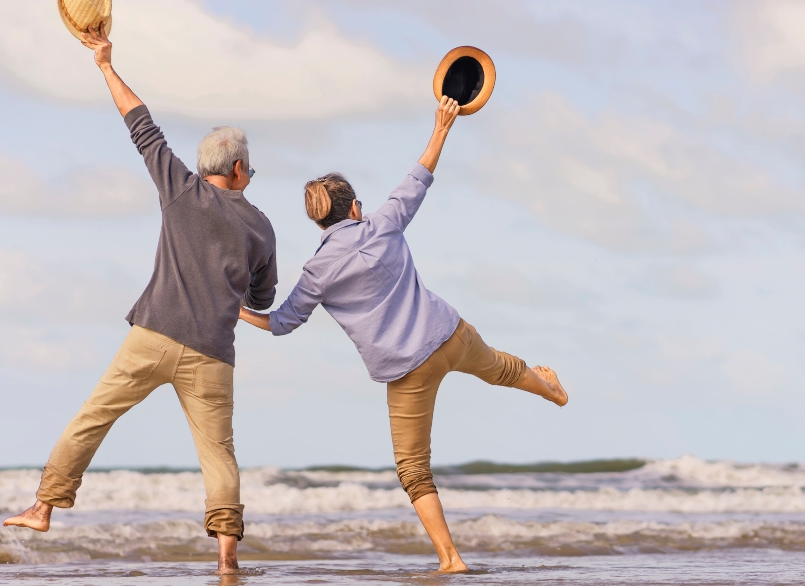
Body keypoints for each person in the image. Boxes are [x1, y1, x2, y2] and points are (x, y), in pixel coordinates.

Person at [238, 96, 568, 573]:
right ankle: (552, 392)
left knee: (414, 470)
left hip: (406, 369)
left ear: (318, 220)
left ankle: (451, 559)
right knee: (502, 368)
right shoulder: (383, 221)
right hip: (448, 333)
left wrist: (237, 310)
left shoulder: (317, 269)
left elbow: (282, 323)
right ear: (354, 206)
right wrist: (441, 127)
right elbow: (422, 174)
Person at [2, 26, 278, 575]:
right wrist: (232, 295)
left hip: (153, 334)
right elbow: (262, 296)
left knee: (92, 418)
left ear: (206, 168)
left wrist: (105, 65)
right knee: (218, 454)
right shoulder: (262, 227)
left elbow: (141, 124)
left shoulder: (180, 188)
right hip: (212, 356)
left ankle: (44, 507)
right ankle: (226, 557)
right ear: (241, 168)